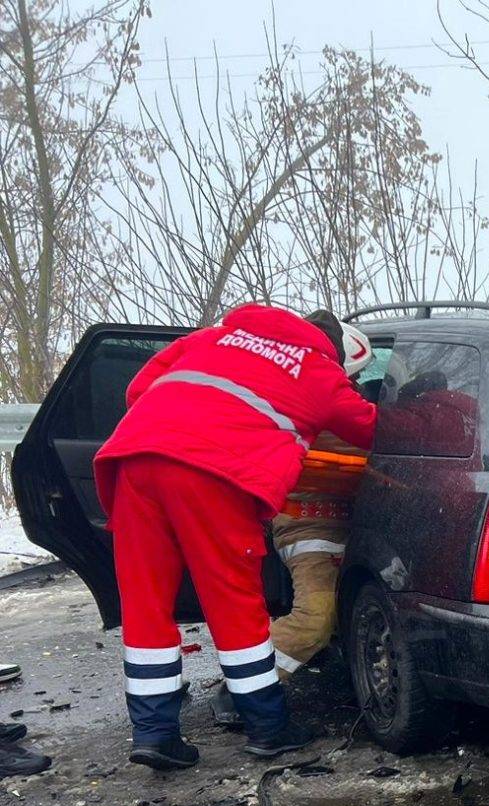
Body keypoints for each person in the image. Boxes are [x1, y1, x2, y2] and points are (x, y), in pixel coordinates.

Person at [94, 305, 377, 771]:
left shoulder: (209, 338)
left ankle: (155, 734)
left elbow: (137, 389)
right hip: (215, 475)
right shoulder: (318, 371)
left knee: (145, 604)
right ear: (333, 352)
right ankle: (268, 727)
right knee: (234, 605)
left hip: (135, 459)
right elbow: (371, 427)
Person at [210, 331, 375, 725]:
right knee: (317, 616)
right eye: (349, 379)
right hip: (310, 526)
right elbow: (365, 440)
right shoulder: (309, 408)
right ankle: (243, 691)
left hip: (353, 524)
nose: (353, 387)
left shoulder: (330, 401)